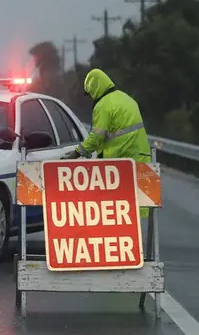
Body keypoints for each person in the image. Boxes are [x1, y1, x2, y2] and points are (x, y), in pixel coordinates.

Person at [64, 68, 152, 225]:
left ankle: (117, 246)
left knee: (114, 211)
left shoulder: (103, 105)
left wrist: (77, 153)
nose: (91, 97)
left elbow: (97, 137)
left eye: (90, 93)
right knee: (131, 211)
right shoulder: (127, 99)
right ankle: (131, 246)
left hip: (118, 163)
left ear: (95, 87)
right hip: (140, 160)